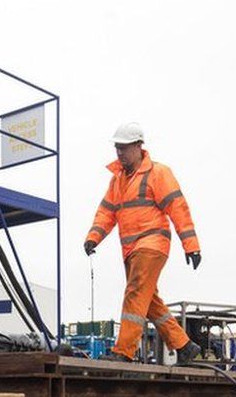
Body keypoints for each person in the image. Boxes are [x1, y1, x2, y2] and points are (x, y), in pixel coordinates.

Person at [84, 121, 202, 364]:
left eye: (124, 147)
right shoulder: (117, 181)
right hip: (130, 249)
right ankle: (184, 345)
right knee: (147, 300)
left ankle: (124, 351)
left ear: (139, 146)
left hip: (153, 243)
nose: (119, 152)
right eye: (117, 147)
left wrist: (191, 245)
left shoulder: (158, 173)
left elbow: (178, 207)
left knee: (136, 291)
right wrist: (93, 237)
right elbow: (106, 212)